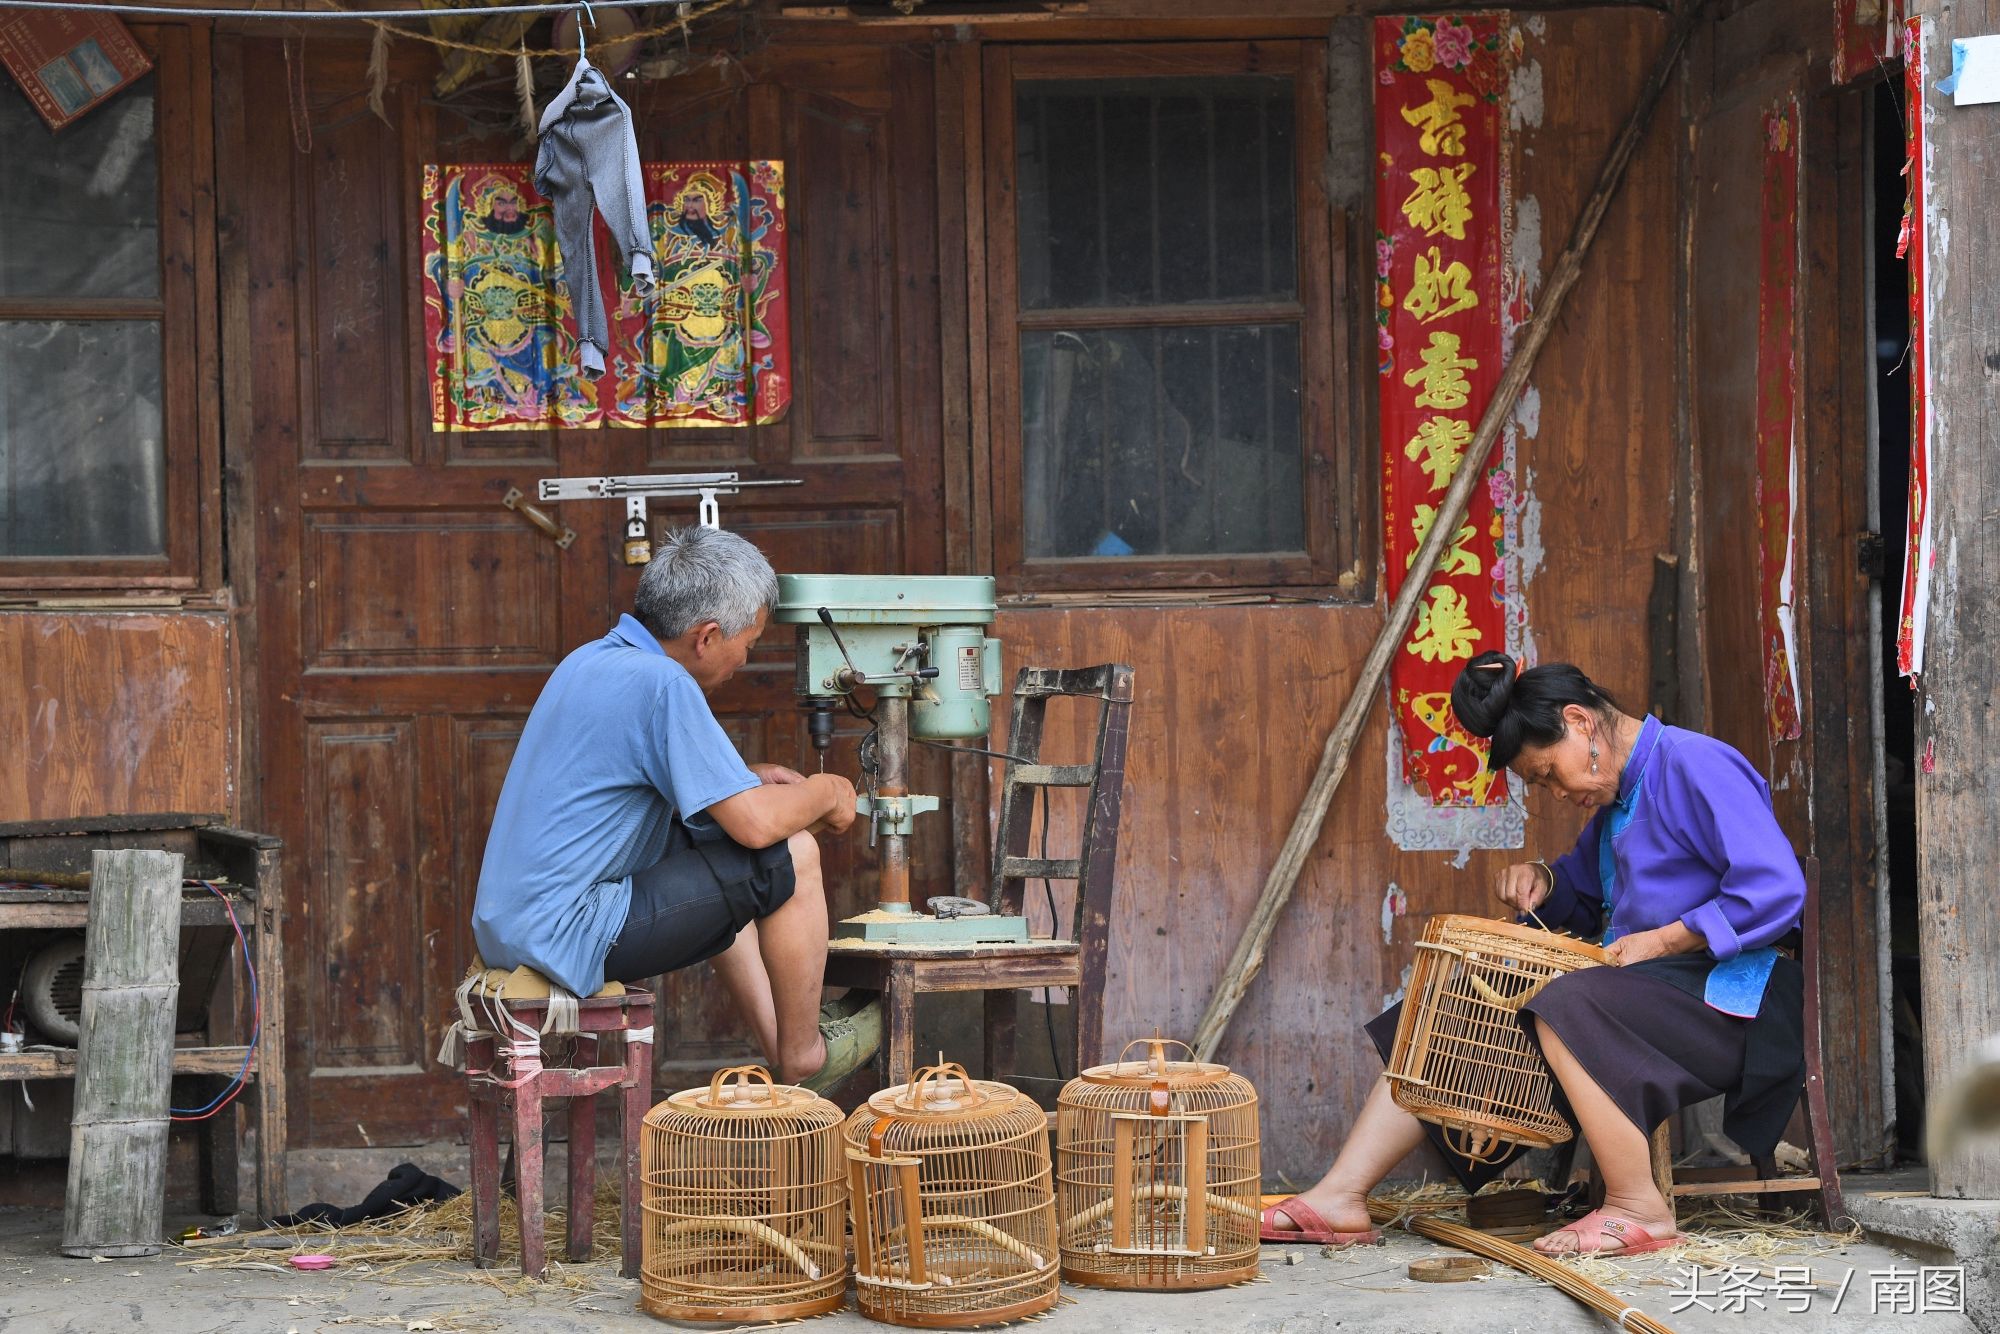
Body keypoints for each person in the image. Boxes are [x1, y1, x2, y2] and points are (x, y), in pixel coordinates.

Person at [1262, 651, 1806, 1256]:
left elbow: (1775, 888)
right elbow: (1579, 893)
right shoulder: (1619, 802)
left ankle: (1637, 1208)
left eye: (1548, 773)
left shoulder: (1694, 763)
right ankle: (1342, 1195)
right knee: (1451, 1009)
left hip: (1738, 997)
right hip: (1649, 995)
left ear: (1580, 722)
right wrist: (1543, 880)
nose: (1554, 791)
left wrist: (1666, 938)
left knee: (1566, 1003)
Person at [472, 525, 879, 1091]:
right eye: (749, 645)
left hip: (511, 926)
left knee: (723, 850)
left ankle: (779, 1041)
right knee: (792, 853)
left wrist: (746, 780)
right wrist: (830, 792)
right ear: (707, 636)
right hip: (566, 931)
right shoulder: (663, 683)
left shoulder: (592, 659)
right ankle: (806, 1051)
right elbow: (758, 826)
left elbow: (652, 785)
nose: (744, 660)